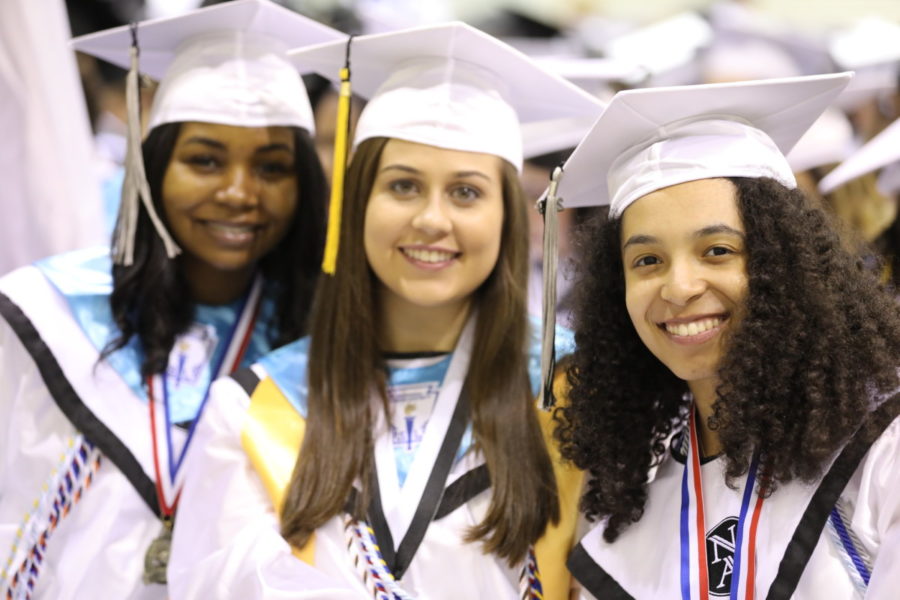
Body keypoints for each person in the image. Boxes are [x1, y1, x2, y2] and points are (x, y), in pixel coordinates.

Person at [168, 21, 603, 600]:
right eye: (402, 186)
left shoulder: (578, 392)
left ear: (510, 217)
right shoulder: (255, 408)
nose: (431, 219)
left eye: (467, 192)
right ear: (357, 204)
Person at [0, 1, 343, 598]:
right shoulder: (43, 315)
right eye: (204, 160)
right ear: (155, 167)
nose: (239, 192)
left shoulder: (321, 343)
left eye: (272, 167)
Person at [544, 74, 900, 599]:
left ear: (784, 265)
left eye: (718, 250)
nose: (680, 287)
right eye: (647, 261)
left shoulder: (880, 450)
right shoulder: (631, 485)